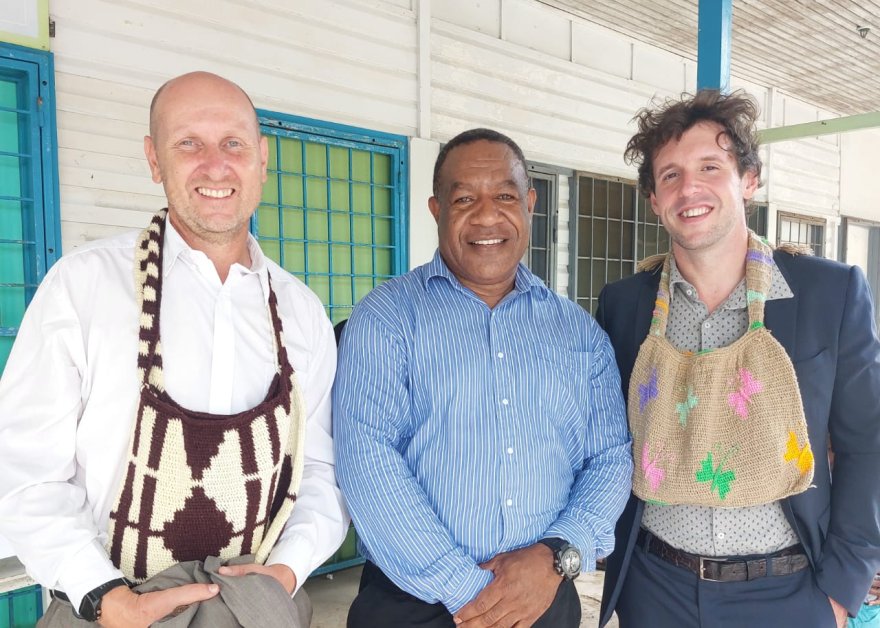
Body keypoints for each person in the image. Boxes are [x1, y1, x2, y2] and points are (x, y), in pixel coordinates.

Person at [0, 72, 349, 627]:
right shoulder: (84, 288)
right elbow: (23, 472)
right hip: (107, 612)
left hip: (254, 611)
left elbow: (320, 474)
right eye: (189, 143)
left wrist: (286, 572)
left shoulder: (300, 313)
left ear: (262, 157)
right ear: (154, 159)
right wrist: (105, 597)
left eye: (234, 143)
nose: (216, 164)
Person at [597, 89, 880, 628]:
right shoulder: (626, 305)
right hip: (657, 590)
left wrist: (843, 589)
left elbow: (868, 441)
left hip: (790, 592)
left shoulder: (829, 294)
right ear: (655, 199)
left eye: (710, 166)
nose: (690, 188)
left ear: (748, 180)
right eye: (670, 175)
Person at [333, 128, 633, 628]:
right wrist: (472, 594)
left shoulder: (578, 333)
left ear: (530, 203)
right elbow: (367, 460)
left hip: (543, 598)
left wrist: (558, 555)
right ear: (436, 210)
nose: (488, 216)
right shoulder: (385, 320)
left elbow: (610, 457)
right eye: (466, 198)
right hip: (413, 605)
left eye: (505, 196)